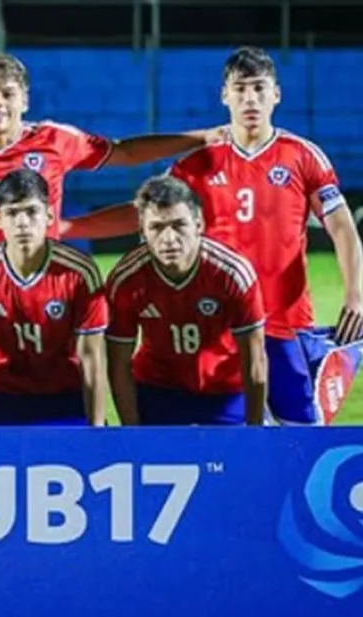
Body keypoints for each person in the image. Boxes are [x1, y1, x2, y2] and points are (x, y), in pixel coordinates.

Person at [0, 52, 222, 420]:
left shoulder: (54, 140)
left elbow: (123, 152)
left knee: (61, 410)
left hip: (45, 306)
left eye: (7, 93)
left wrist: (199, 138)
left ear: (25, 100)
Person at [65, 46, 363, 426]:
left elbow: (341, 226)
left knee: (300, 430)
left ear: (277, 94)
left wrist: (355, 293)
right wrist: (70, 228)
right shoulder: (196, 162)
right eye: (240, 89)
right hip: (217, 321)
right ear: (225, 95)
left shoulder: (303, 156)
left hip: (284, 319)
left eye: (259, 88)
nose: (250, 98)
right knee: (216, 425)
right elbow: (148, 212)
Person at [0, 168, 108, 426]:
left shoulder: (80, 273)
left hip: (63, 392)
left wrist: (97, 429)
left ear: (49, 216)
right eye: (12, 213)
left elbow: (91, 357)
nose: (22, 222)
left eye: (31, 212)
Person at [105, 175, 268, 426]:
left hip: (225, 393)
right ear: (142, 231)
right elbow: (118, 364)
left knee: (241, 463)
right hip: (158, 391)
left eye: (179, 225)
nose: (169, 238)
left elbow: (255, 359)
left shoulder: (233, 274)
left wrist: (256, 430)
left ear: (199, 224)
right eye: (157, 227)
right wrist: (132, 431)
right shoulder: (126, 280)